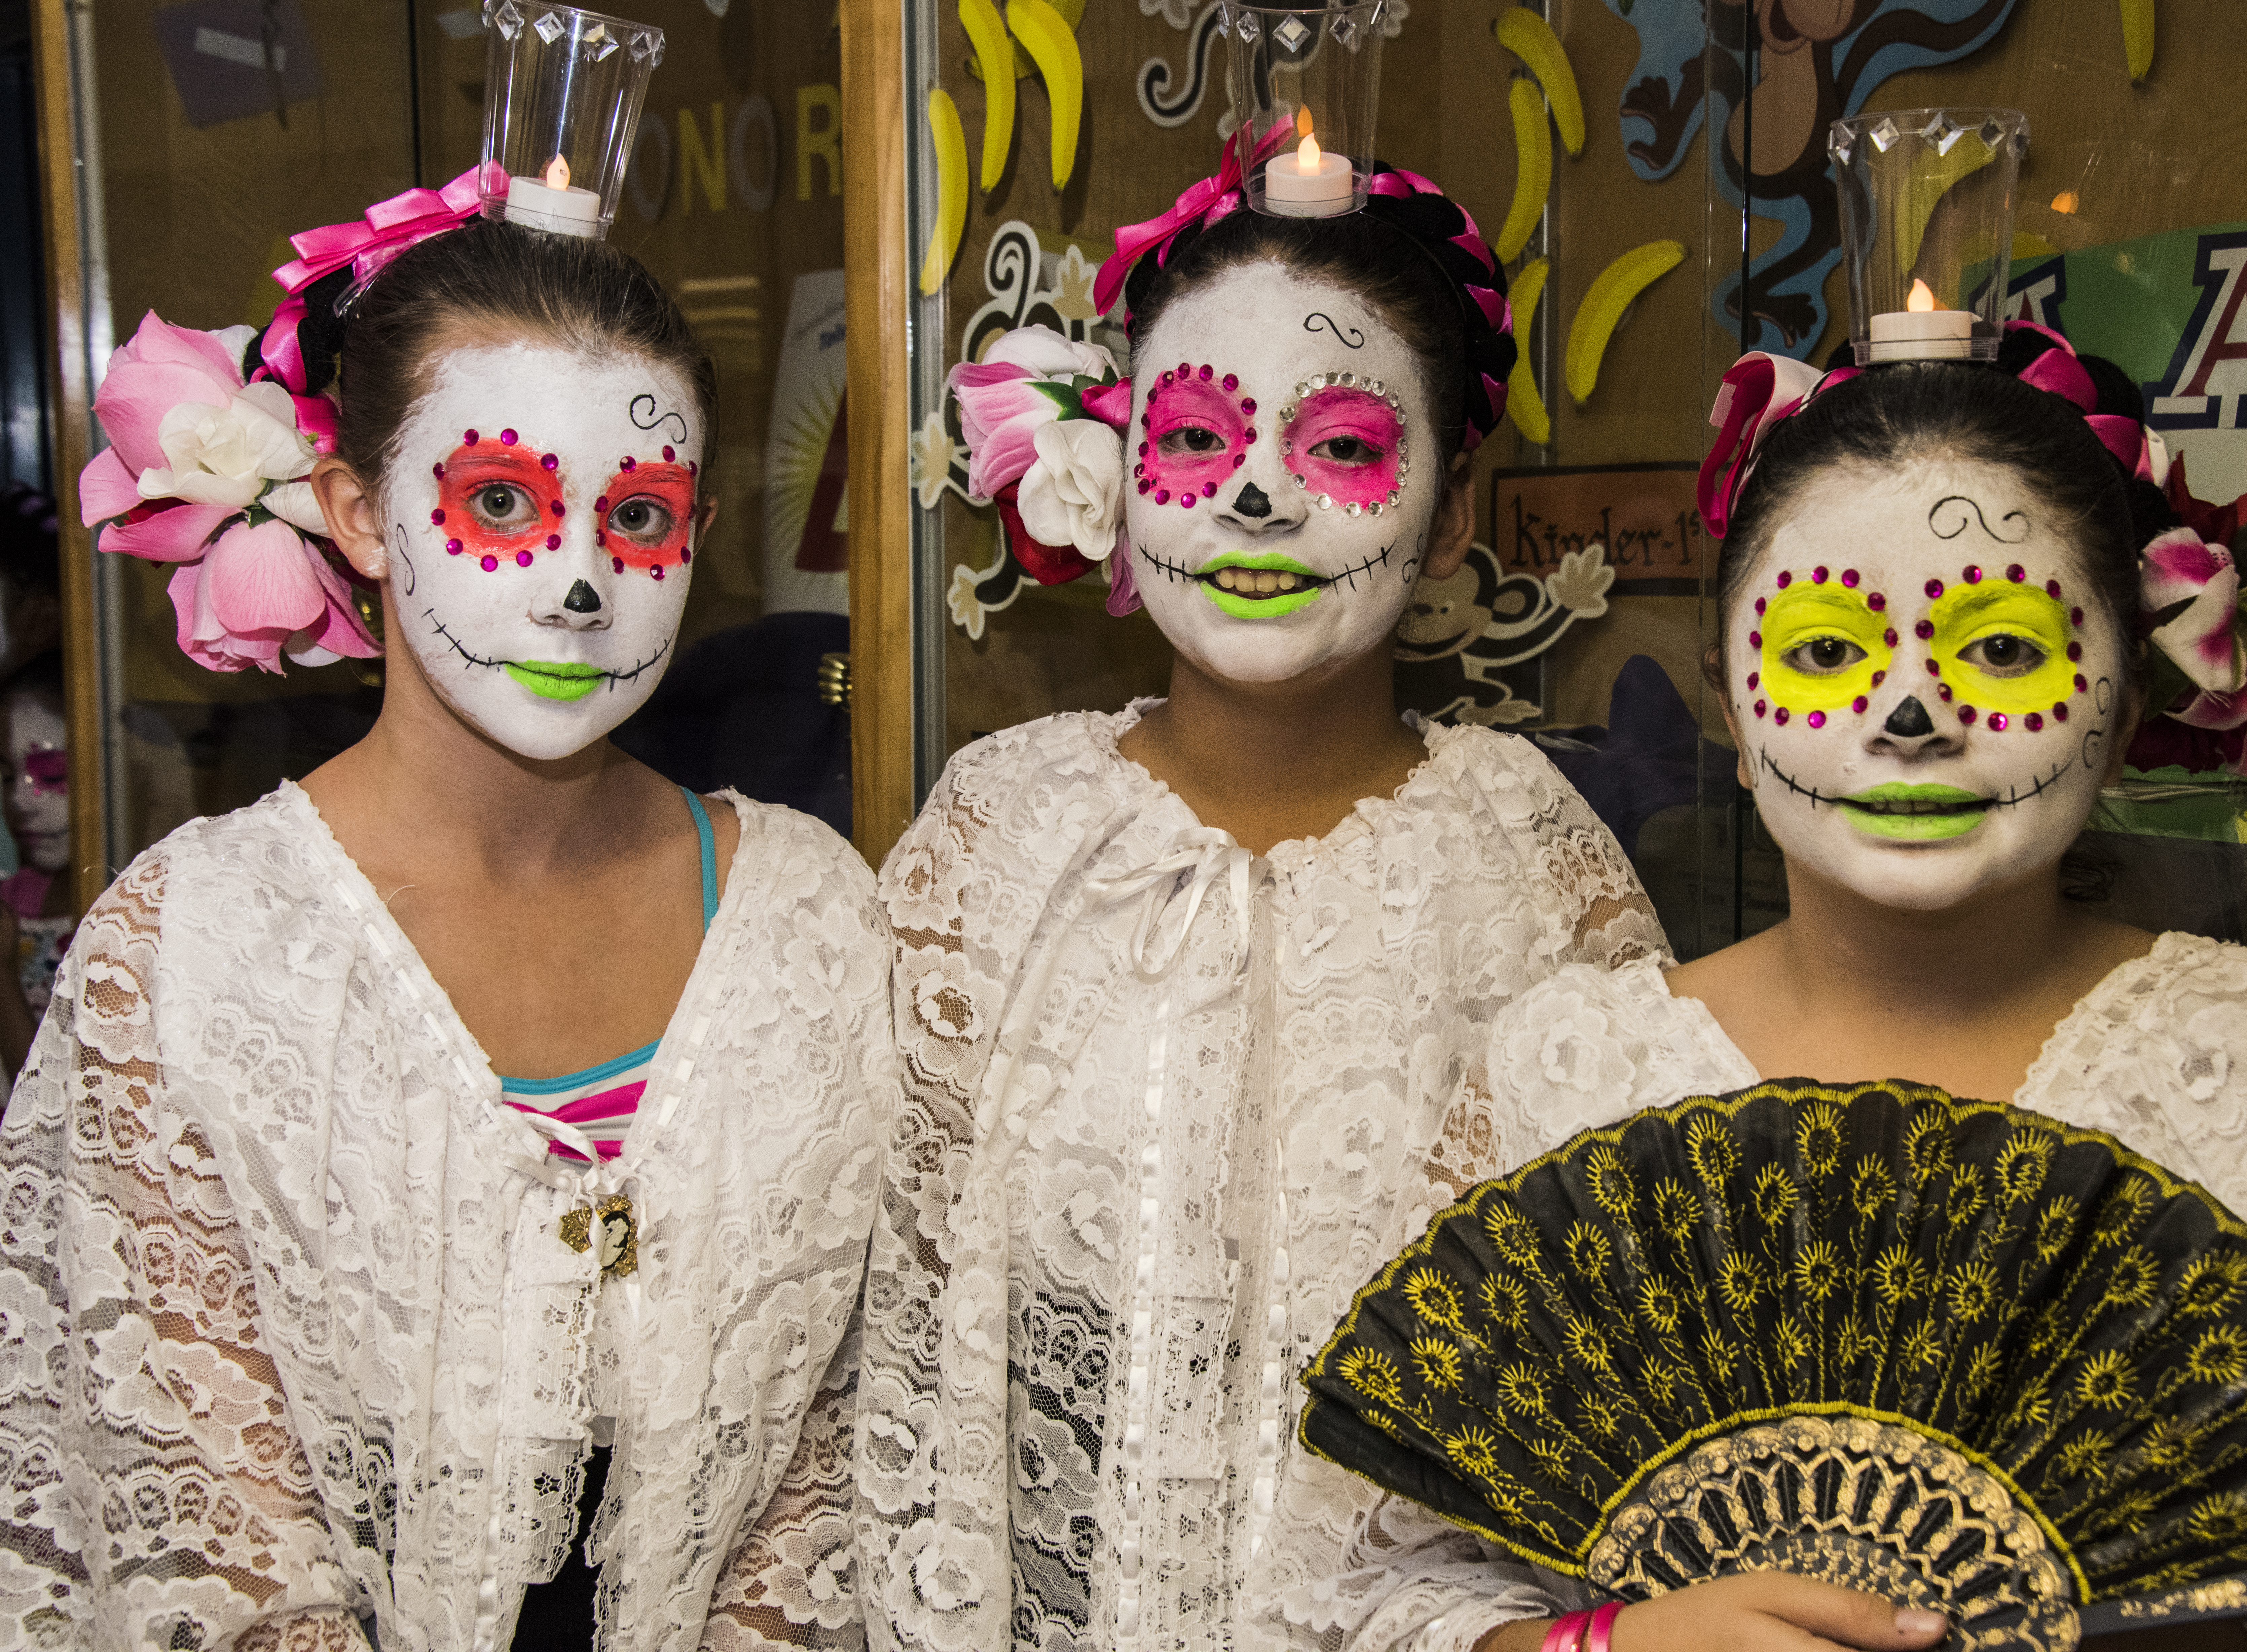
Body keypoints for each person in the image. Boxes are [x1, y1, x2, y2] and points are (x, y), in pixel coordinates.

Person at [1451, 328, 2247, 1651]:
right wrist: (1613, 1644)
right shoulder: (1568, 1076)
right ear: (1731, 708)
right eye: (1825, 653)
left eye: (1999, 649)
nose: (1912, 710)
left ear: (2128, 697)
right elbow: (1379, 1596)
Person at [0, 215, 894, 1649]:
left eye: (643, 515)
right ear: (358, 509)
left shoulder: (815, 923)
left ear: (701, 534)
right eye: (497, 502)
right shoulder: (188, 959)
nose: (584, 581)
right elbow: (205, 1541)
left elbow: (843, 1449)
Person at [854, 159, 1666, 1651]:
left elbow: (1613, 1357)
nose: (1253, 494)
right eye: (1197, 438)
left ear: (1446, 513)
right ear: (1112, 468)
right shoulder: (1002, 824)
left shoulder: (1527, 857)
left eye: (1343, 444)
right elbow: (883, 1320)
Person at [0, 650, 71, 1076]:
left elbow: (52, 1105)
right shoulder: (9, 905)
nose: (19, 801)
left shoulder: (130, 920)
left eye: (53, 774)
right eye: (8, 776)